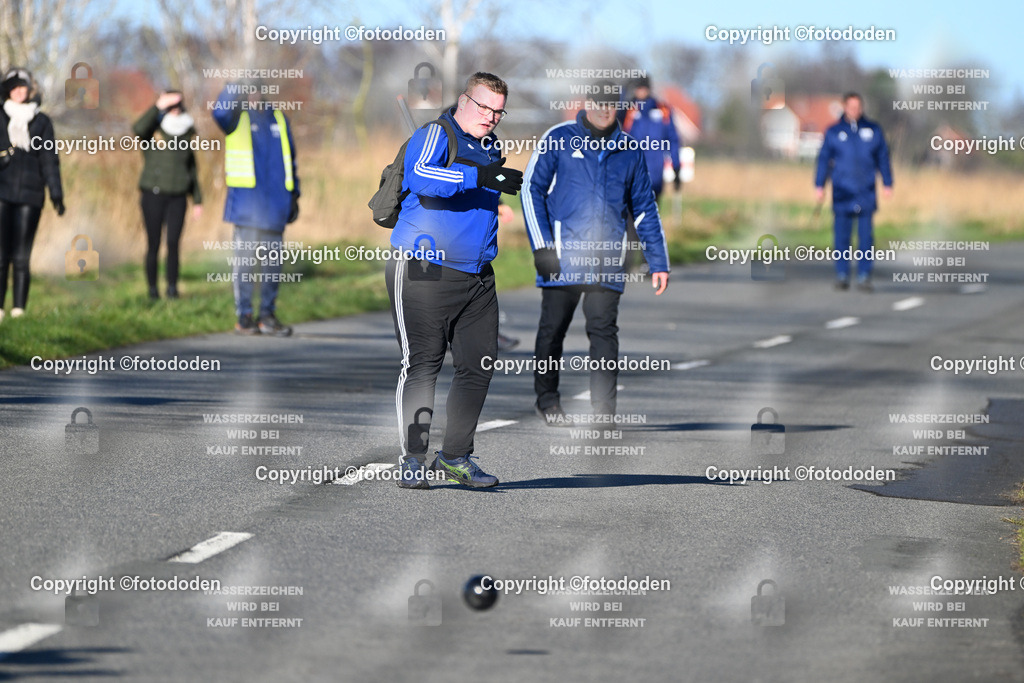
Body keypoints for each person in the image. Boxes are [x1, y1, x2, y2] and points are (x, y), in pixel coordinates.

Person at [387, 72, 522, 489]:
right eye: (484, 108)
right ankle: (412, 459)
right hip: (425, 268)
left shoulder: (491, 144)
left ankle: (456, 456)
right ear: (464, 101)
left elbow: (473, 199)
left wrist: (493, 199)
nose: (492, 117)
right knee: (423, 365)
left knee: (478, 366)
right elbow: (423, 177)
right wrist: (478, 177)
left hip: (478, 274)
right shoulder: (436, 134)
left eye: (499, 112)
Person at [523, 82, 670, 424]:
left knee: (603, 332)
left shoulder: (630, 150)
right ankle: (547, 401)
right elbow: (532, 190)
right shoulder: (558, 138)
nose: (605, 110)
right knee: (553, 329)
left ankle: (604, 412)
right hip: (561, 258)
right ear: (586, 102)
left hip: (608, 262)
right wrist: (543, 247)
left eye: (611, 104)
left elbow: (645, 208)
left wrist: (658, 260)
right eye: (598, 103)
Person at [212, 81, 299, 335]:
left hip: (276, 206)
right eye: (247, 87)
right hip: (247, 206)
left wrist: (294, 196)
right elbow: (219, 112)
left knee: (273, 265)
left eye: (256, 87)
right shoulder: (235, 116)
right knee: (245, 265)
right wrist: (234, 83)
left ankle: (267, 316)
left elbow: (290, 160)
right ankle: (245, 316)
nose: (253, 92)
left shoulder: (279, 119)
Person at [0, 67, 63, 322]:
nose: (19, 91)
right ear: (6, 90)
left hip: (31, 194)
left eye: (23, 86)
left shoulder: (42, 121)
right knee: (1, 254)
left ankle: (19, 311)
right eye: (14, 86)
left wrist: (56, 193)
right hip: (2, 192)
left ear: (30, 90)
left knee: (22, 255)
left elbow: (49, 159)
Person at [814, 92, 893, 292]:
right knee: (842, 237)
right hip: (842, 191)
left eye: (858, 107)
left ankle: (864, 275)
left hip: (865, 191)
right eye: (851, 107)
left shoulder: (873, 130)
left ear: (862, 108)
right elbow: (824, 159)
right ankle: (842, 275)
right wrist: (819, 185)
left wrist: (887, 182)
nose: (855, 111)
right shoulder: (833, 132)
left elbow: (883, 157)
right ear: (844, 108)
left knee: (865, 238)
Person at [132, 90, 202, 300]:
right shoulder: (153, 128)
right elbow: (137, 128)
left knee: (173, 243)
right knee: (153, 243)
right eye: (170, 105)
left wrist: (198, 199)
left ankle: (172, 289)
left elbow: (192, 168)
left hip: (178, 196)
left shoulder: (187, 130)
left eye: (177, 104)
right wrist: (158, 105)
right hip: (153, 194)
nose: (175, 108)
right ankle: (152, 290)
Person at [620, 75, 681, 272]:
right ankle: (626, 263)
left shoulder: (663, 110)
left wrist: (676, 167)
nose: (641, 92)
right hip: (630, 173)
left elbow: (672, 140)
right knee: (628, 219)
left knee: (650, 219)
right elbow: (614, 124)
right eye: (637, 88)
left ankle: (649, 262)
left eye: (643, 88)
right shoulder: (628, 109)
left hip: (654, 174)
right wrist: (623, 94)